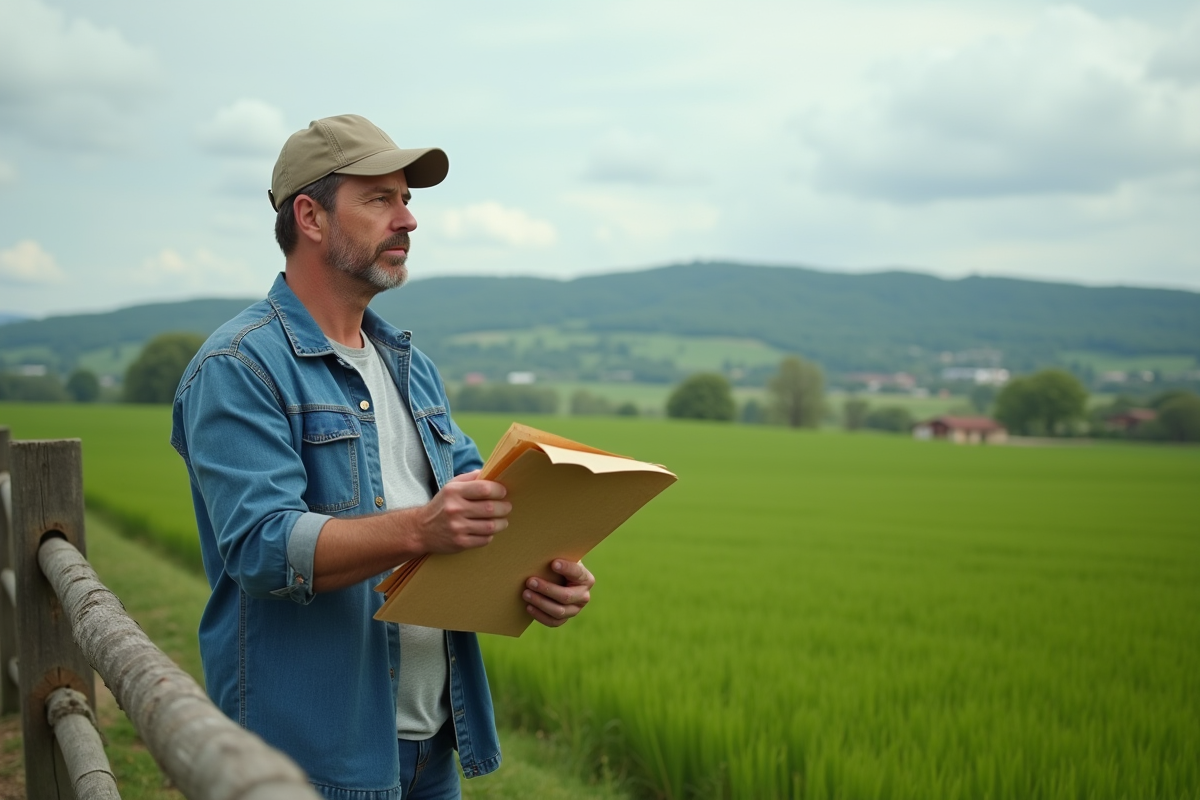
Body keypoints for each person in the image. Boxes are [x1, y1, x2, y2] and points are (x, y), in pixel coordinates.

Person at [170, 114, 595, 800]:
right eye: (380, 199)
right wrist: (421, 529)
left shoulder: (411, 366)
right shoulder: (239, 365)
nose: (408, 220)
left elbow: (480, 506)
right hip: (306, 760)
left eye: (408, 199)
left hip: (431, 748)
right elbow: (261, 547)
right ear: (309, 215)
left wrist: (544, 568)